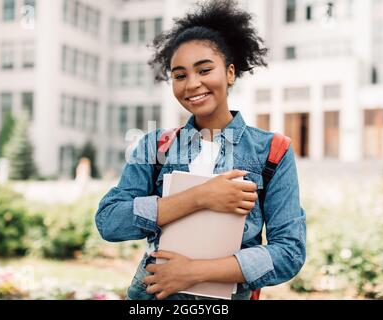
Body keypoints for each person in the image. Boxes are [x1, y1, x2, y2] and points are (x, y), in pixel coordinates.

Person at [95, 0, 306, 300]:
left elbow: (289, 252)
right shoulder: (155, 146)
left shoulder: (272, 152)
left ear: (230, 73)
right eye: (179, 75)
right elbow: (110, 221)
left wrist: (195, 271)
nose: (192, 84)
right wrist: (199, 197)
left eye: (204, 70)